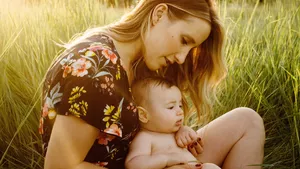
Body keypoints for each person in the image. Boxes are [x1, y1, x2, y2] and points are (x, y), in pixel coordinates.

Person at [38, 0, 266, 169]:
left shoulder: (135, 60)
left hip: (152, 157)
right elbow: (59, 167)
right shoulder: (96, 71)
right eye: (184, 41)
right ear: (159, 14)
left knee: (247, 121)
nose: (182, 58)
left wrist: (177, 134)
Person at [125, 76, 221, 169]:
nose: (180, 111)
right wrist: (166, 159)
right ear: (144, 115)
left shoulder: (177, 132)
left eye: (180, 105)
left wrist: (187, 133)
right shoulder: (145, 138)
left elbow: (193, 145)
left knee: (210, 167)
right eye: (171, 107)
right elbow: (133, 165)